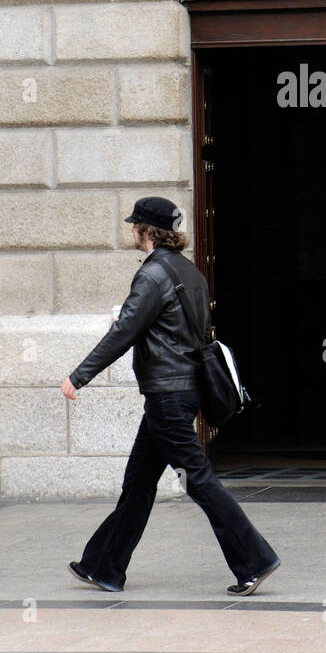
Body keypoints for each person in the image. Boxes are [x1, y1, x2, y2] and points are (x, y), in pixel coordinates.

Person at [59, 195, 280, 597]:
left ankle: (255, 560)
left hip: (166, 394)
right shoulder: (189, 271)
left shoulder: (152, 275)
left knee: (199, 481)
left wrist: (79, 376)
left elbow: (124, 331)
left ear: (147, 230)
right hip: (182, 391)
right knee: (139, 483)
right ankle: (103, 566)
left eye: (134, 225)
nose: (130, 230)